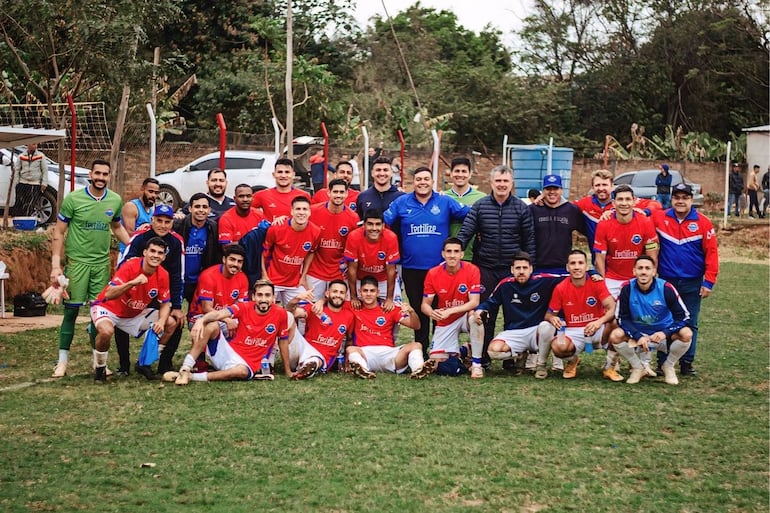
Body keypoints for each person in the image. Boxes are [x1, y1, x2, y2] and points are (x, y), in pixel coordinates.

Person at [50, 159, 129, 378]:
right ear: (90, 174)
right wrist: (56, 265)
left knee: (99, 314)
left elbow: (116, 226)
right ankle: (62, 362)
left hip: (101, 265)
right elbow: (58, 232)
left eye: (105, 174)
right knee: (71, 311)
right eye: (97, 173)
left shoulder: (114, 200)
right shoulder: (73, 199)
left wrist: (133, 247)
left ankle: (98, 362)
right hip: (77, 264)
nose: (101, 178)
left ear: (109, 176)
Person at [384, 166, 470, 353]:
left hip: (440, 269)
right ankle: (420, 349)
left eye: (426, 179)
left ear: (433, 182)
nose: (422, 182)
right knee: (418, 309)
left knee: (439, 310)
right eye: (418, 179)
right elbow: (382, 222)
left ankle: (440, 348)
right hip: (411, 267)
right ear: (412, 182)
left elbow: (471, 213)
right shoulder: (402, 202)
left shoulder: (446, 202)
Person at [457, 165, 536, 366]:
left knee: (514, 313)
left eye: (505, 181)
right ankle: (482, 356)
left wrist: (528, 268)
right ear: (491, 183)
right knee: (485, 314)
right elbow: (466, 232)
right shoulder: (480, 206)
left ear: (511, 184)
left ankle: (510, 356)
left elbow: (529, 241)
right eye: (498, 181)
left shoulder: (521, 208)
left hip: (511, 270)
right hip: (486, 268)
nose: (502, 185)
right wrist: (455, 254)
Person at [163, 280, 293, 384]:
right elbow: (219, 314)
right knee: (211, 325)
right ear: (253, 296)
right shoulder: (244, 307)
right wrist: (200, 321)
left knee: (241, 372)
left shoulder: (281, 314)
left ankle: (192, 377)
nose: (263, 299)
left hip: (247, 364)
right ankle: (185, 368)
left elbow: (283, 342)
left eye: (267, 295)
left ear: (273, 297)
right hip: (227, 353)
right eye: (259, 295)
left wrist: (288, 371)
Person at [652, 183, 719, 377]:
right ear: (671, 199)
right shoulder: (660, 217)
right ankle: (663, 361)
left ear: (692, 199)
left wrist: (709, 282)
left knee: (690, 323)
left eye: (685, 197)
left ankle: (686, 363)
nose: (680, 201)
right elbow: (639, 208)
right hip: (666, 281)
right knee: (665, 321)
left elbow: (712, 254)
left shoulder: (703, 222)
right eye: (677, 197)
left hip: (692, 282)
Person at [90, 237, 176, 383]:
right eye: (152, 251)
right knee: (106, 332)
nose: (155, 255)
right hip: (108, 308)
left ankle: (144, 363)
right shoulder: (130, 266)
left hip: (134, 315)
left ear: (164, 256)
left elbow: (165, 303)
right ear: (145, 252)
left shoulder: (163, 274)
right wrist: (132, 283)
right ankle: (100, 369)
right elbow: (109, 294)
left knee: (171, 323)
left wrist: (161, 321)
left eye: (160, 253)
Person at [118, 204, 186, 378]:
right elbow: (125, 264)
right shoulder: (140, 237)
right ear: (152, 220)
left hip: (161, 292)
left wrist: (177, 306)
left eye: (167, 222)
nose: (163, 225)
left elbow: (178, 275)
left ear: (172, 223)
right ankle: (124, 365)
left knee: (176, 321)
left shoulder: (176, 241)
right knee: (120, 321)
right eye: (159, 221)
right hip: (136, 290)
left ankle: (160, 363)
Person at [608, 255, 692, 385]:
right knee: (615, 335)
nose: (643, 271)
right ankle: (637, 367)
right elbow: (621, 318)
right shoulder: (626, 288)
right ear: (634, 271)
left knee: (686, 334)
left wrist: (665, 332)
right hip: (638, 334)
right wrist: (637, 335)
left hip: (662, 334)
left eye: (647, 268)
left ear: (654, 271)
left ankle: (668, 366)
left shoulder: (666, 288)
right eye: (640, 268)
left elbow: (684, 316)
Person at [471, 252, 561, 373]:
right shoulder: (505, 285)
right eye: (518, 268)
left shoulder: (543, 280)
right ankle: (520, 355)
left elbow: (570, 276)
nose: (521, 271)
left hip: (536, 332)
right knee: (494, 351)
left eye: (525, 268)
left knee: (546, 326)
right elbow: (490, 302)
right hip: (514, 332)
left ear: (531, 269)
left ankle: (541, 364)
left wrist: (592, 273)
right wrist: (480, 309)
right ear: (512, 270)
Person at [539, 250, 616, 380]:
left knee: (615, 324)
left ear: (586, 266)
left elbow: (612, 307)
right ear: (567, 267)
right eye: (573, 263)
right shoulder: (561, 288)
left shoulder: (596, 282)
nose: (576, 267)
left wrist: (599, 322)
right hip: (573, 331)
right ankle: (573, 360)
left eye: (580, 263)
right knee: (558, 347)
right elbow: (548, 314)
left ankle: (610, 367)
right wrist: (553, 317)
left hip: (597, 329)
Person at [345, 276, 436, 380]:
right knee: (350, 349)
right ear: (360, 292)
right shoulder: (353, 307)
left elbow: (416, 326)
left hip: (389, 353)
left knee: (416, 345)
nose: (369, 294)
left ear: (378, 292)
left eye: (372, 291)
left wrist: (411, 312)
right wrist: (321, 301)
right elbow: (333, 301)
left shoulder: (389, 308)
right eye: (365, 291)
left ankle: (418, 370)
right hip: (365, 353)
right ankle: (363, 370)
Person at [421, 238, 485, 378]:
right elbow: (424, 305)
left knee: (477, 317)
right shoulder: (433, 273)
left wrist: (450, 311)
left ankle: (476, 365)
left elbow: (474, 302)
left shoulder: (472, 270)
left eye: (456, 251)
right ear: (443, 254)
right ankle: (463, 351)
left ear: (462, 254)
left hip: (464, 316)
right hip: (445, 320)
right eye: (449, 251)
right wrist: (433, 313)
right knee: (436, 363)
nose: (452, 255)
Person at [284, 280, 356, 379]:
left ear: (346, 296)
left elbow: (349, 339)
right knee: (288, 316)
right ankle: (302, 366)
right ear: (327, 293)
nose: (338, 295)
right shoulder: (315, 308)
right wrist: (297, 299)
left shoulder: (349, 315)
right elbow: (289, 313)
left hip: (323, 357)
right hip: (302, 350)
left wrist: (346, 360)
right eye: (335, 291)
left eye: (341, 292)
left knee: (314, 360)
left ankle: (308, 368)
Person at [306, 179, 360, 299]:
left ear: (346, 194)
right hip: (315, 271)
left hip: (339, 272)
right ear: (328, 193)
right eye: (335, 191)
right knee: (310, 309)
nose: (338, 195)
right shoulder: (313, 211)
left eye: (342, 192)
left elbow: (353, 247)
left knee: (338, 309)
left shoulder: (353, 217)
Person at [262, 196, 321, 305]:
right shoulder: (276, 228)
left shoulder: (316, 231)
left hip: (294, 283)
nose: (301, 212)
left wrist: (303, 277)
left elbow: (310, 253)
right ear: (291, 211)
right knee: (269, 311)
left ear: (310, 212)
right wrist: (264, 275)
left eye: (305, 209)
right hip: (272, 280)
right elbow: (263, 252)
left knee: (303, 313)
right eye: (298, 209)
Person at [528, 174, 586, 274]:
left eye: (555, 188)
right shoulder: (533, 210)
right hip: (538, 267)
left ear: (561, 190)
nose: (552, 192)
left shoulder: (571, 210)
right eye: (548, 189)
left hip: (564, 266)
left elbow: (587, 232)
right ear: (543, 191)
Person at [343, 209, 400, 309]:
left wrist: (389, 298)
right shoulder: (354, 237)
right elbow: (352, 270)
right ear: (364, 225)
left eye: (378, 224)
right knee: (349, 307)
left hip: (383, 280)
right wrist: (354, 297)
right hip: (359, 280)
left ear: (383, 226)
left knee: (395, 309)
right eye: (370, 224)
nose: (374, 228)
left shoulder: (391, 238)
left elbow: (391, 271)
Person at [444, 156, 486, 262]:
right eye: (457, 171)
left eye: (464, 171)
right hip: (448, 256)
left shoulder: (482, 198)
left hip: (474, 255)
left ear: (470, 174)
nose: (460, 175)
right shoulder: (442, 197)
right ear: (451, 173)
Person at [574, 169, 615, 261]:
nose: (601, 189)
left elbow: (652, 204)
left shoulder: (622, 203)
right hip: (596, 258)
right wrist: (542, 197)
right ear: (592, 187)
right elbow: (564, 206)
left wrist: (645, 211)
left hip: (619, 258)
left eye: (604, 185)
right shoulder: (585, 204)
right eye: (597, 185)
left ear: (612, 186)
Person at [356, 156, 404, 221]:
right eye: (378, 170)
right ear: (372, 173)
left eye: (385, 170)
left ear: (392, 173)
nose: (382, 173)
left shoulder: (401, 197)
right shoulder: (363, 197)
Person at [119, 177, 159, 254]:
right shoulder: (131, 206)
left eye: (156, 193)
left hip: (143, 253)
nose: (153, 195)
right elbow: (130, 233)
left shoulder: (151, 210)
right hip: (128, 252)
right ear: (142, 189)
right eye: (150, 191)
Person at [10, 143, 47, 217]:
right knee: (20, 202)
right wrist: (16, 182)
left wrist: (44, 183)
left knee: (31, 203)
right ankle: (19, 220)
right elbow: (17, 170)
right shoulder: (21, 156)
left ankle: (28, 219)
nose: (35, 146)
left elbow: (45, 170)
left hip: (35, 183)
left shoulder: (41, 156)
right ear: (28, 145)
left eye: (36, 144)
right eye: (33, 144)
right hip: (22, 182)